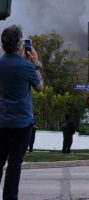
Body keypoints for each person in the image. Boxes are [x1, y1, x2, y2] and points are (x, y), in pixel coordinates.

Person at [0, 25, 44, 200]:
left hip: (2, 122)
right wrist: (36, 64)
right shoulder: (27, 67)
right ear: (20, 44)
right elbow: (40, 87)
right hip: (22, 124)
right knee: (14, 163)